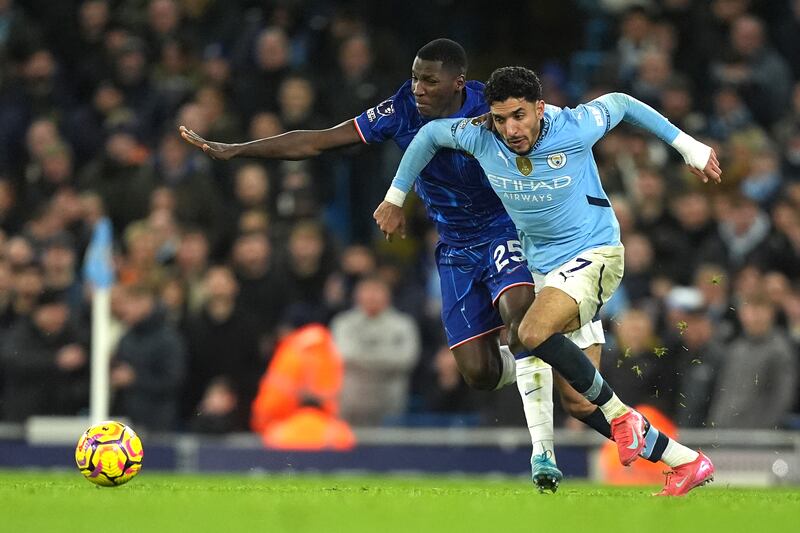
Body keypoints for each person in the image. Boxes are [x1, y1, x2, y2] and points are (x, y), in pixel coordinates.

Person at [180, 38, 572, 492]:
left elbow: (549, 138)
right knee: (480, 374)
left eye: (429, 79)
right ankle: (540, 361)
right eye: (414, 77)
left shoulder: (494, 107)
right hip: (455, 247)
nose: (418, 87)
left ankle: (542, 450)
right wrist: (237, 150)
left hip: (506, 228)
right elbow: (321, 142)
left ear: (459, 83)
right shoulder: (401, 108)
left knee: (520, 317)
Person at [380, 65, 721, 496]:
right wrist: (396, 197)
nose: (510, 128)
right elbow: (428, 137)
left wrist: (687, 146)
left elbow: (622, 103)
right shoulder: (479, 135)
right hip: (546, 272)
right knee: (578, 400)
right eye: (501, 118)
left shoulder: (573, 125)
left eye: (520, 115)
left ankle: (615, 419)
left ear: (539, 108)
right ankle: (685, 461)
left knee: (531, 331)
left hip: (594, 255)